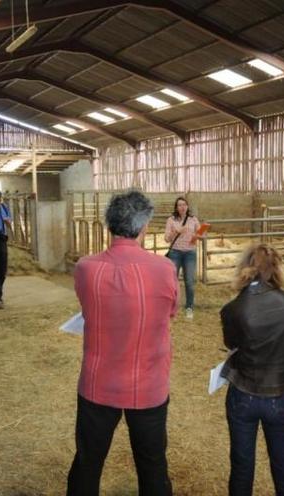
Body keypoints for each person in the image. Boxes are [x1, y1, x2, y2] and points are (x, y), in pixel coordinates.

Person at [67, 191, 178, 496]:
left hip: (97, 383)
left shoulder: (85, 268)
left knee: (88, 461)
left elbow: (86, 305)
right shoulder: (164, 269)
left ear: (109, 225)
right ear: (143, 227)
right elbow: (170, 312)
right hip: (149, 384)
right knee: (153, 464)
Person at [220, 244, 284, 496]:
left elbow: (231, 344)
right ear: (276, 269)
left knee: (241, 466)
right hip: (281, 393)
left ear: (245, 267)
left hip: (243, 393)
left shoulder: (232, 309)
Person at [164, 197, 201, 319]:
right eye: (179, 205)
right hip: (175, 253)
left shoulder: (193, 219)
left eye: (184, 204)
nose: (182, 207)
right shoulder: (171, 220)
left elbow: (202, 234)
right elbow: (166, 239)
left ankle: (189, 307)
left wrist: (198, 236)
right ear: (176, 207)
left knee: (189, 282)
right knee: (172, 281)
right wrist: (176, 231)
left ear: (187, 206)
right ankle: (171, 306)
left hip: (190, 253)